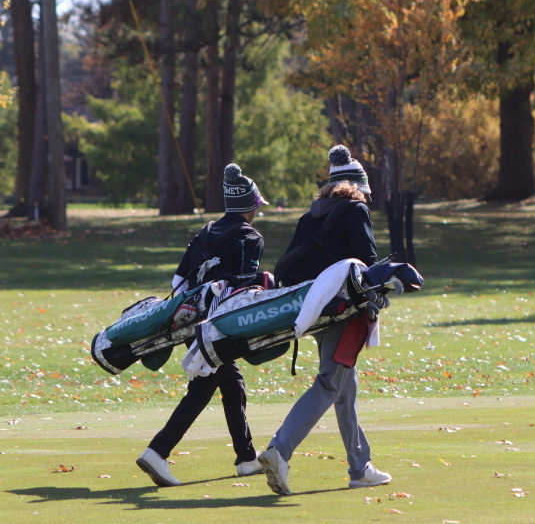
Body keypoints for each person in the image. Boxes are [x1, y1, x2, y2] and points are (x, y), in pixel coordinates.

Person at [258, 145, 391, 495]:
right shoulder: (355, 210)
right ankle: (279, 450)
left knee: (346, 387)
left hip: (315, 312)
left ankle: (360, 466)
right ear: (357, 186)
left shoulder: (310, 216)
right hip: (345, 314)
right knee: (332, 384)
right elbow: (367, 265)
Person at [136, 163, 268, 487]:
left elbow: (179, 279)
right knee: (202, 389)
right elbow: (244, 288)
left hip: (190, 318)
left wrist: (188, 317)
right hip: (219, 325)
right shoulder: (251, 237)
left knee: (232, 384)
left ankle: (247, 458)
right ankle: (157, 451)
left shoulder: (206, 230)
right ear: (250, 206)